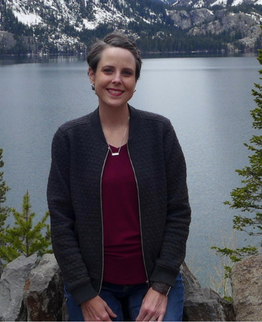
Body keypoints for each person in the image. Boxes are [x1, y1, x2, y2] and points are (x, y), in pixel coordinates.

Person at [47, 32, 191, 321]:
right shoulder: (70, 138)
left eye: (127, 73)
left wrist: (161, 285)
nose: (117, 80)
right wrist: (84, 294)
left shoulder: (159, 132)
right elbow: (62, 222)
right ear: (92, 75)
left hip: (152, 281)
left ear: (136, 82)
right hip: (94, 285)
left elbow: (178, 212)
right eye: (108, 70)